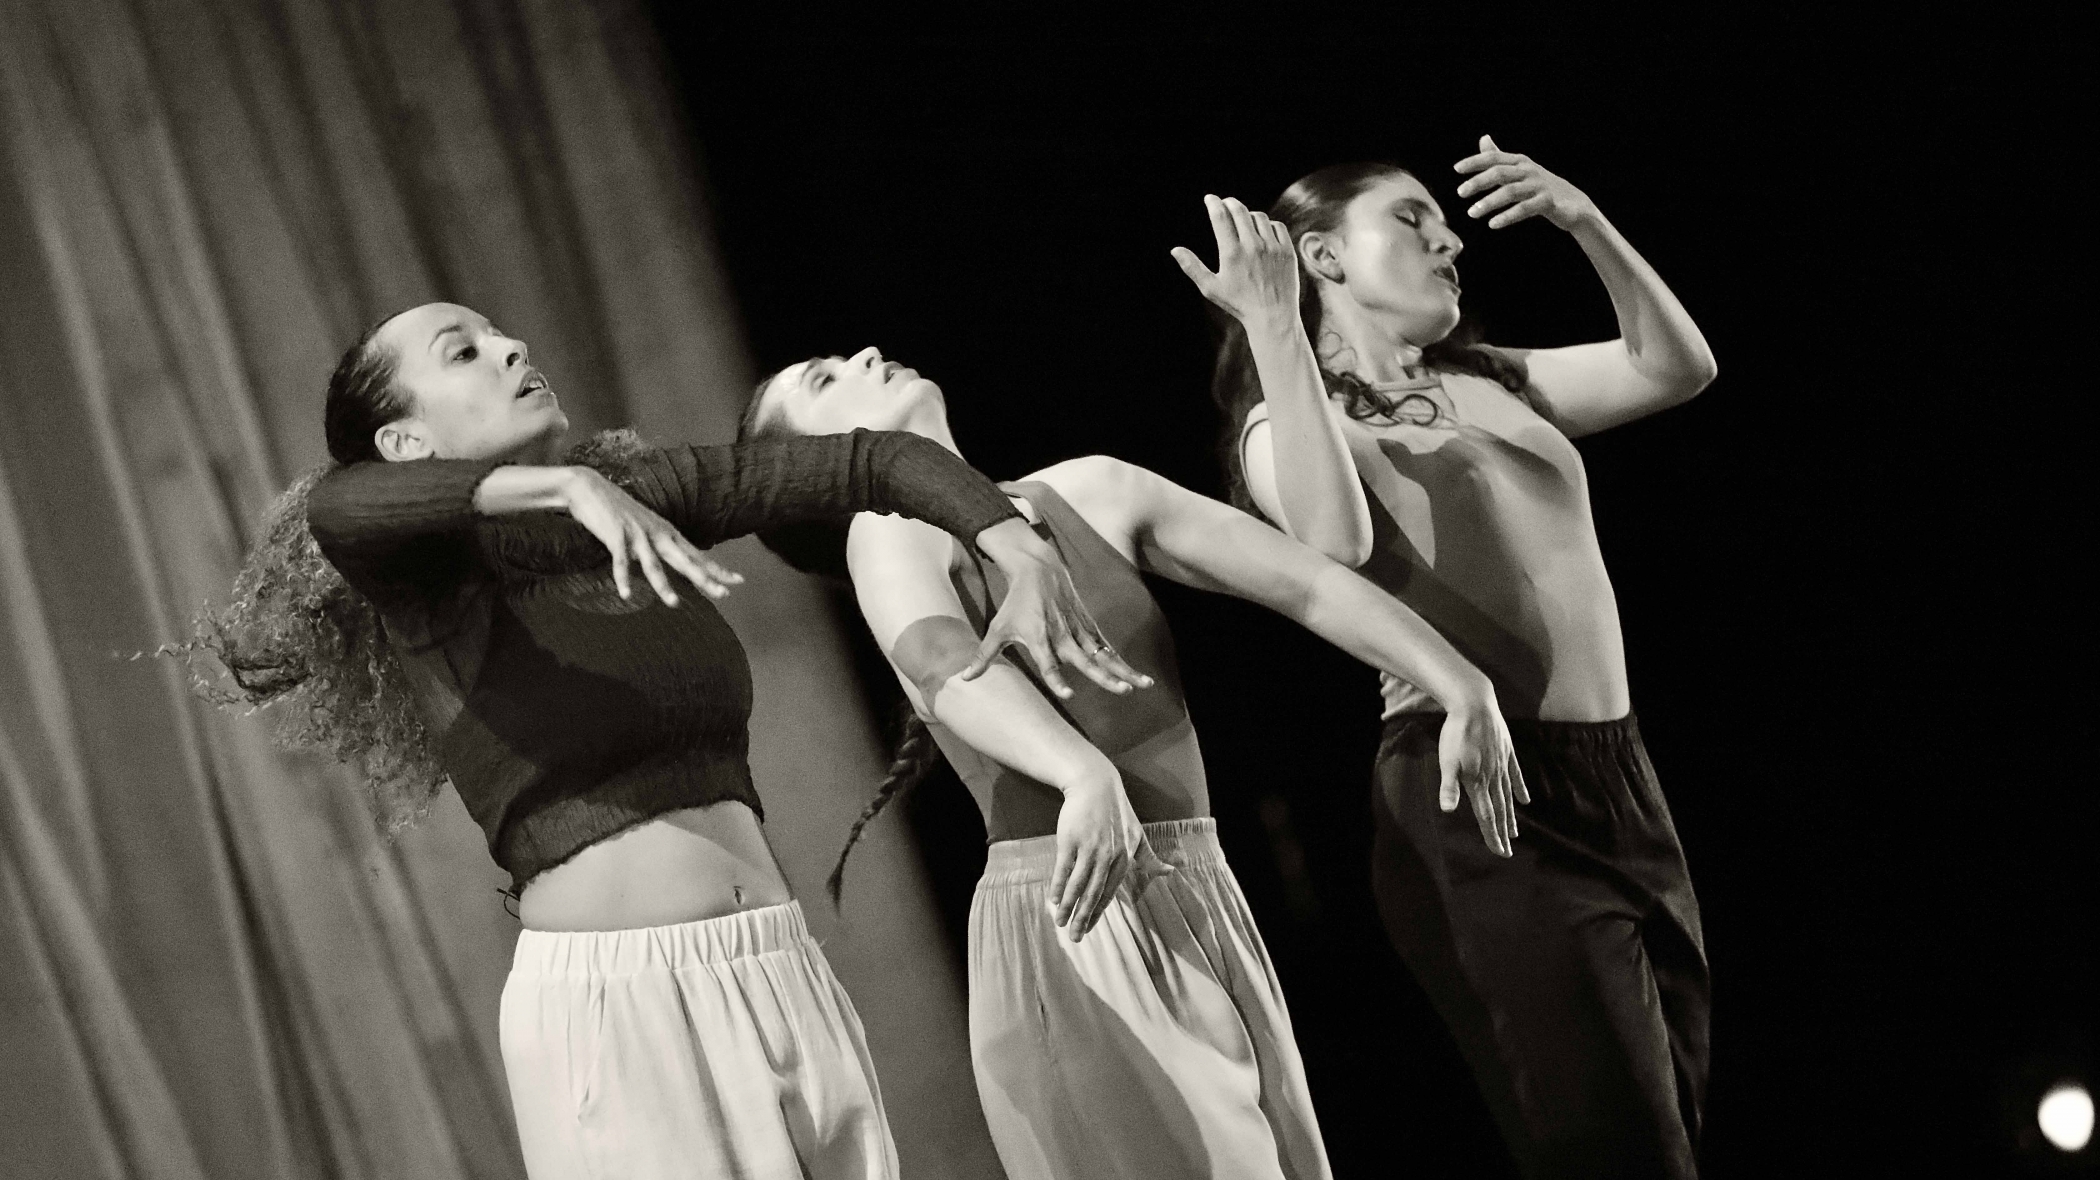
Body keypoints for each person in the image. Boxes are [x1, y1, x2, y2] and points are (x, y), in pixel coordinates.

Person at [185, 302, 1148, 1180]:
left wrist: (1007, 538)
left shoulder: (641, 490)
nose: (514, 346)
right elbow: (341, 506)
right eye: (463, 353)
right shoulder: (425, 581)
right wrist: (556, 491)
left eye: (500, 334)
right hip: (621, 1010)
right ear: (404, 438)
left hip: (776, 966)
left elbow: (869, 460)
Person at [739, 345, 1526, 1180]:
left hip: (1195, 882)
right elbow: (940, 666)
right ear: (825, 469)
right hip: (1076, 898)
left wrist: (1460, 682)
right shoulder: (886, 528)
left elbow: (1307, 583)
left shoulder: (1092, 490)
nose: (862, 354)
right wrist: (1080, 770)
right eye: (823, 382)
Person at [1175, 138, 1719, 1178]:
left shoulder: (1491, 375)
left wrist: (1583, 219)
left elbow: (1675, 367)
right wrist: (1275, 326)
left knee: (1674, 1121)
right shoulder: (1283, 424)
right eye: (1413, 218)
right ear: (1322, 258)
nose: (1449, 238)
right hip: (1477, 786)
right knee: (1616, 1146)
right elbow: (1331, 543)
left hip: (1619, 779)